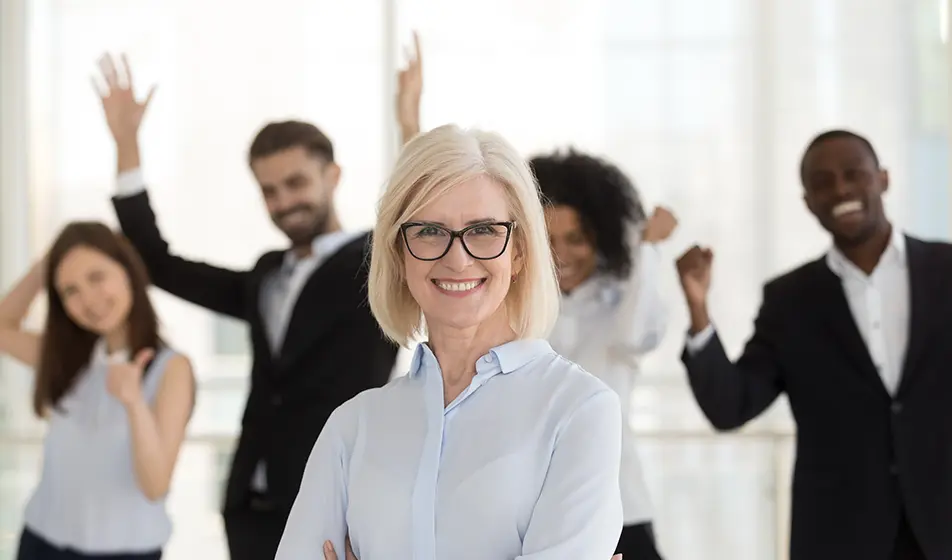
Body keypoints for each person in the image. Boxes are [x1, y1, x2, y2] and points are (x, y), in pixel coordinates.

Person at [92, 54, 400, 560]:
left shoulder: (377, 266)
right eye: (269, 190)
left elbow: (419, 229)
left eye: (296, 183)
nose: (283, 202)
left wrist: (410, 125)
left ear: (334, 175)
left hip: (338, 505)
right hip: (251, 508)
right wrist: (127, 146)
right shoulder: (265, 274)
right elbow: (156, 263)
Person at [275, 124, 624, 560]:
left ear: (519, 252)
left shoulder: (580, 410)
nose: (457, 259)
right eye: (428, 231)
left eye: (483, 230)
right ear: (399, 255)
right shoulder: (353, 426)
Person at [676, 129, 952, 560]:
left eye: (853, 174)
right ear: (807, 201)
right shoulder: (790, 300)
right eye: (822, 182)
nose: (839, 189)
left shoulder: (946, 269)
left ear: (883, 179)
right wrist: (698, 308)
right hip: (839, 535)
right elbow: (731, 406)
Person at [0, 222, 195, 560]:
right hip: (41, 542)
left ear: (127, 271)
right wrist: (46, 264)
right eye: (69, 291)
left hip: (123, 553)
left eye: (95, 277)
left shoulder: (171, 368)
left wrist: (134, 403)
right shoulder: (69, 360)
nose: (88, 300)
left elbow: (155, 485)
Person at [531, 149, 676, 560]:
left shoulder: (621, 305)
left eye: (575, 239)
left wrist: (647, 247)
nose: (560, 255)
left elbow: (637, 333)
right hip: (538, 517)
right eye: (548, 240)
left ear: (600, 237)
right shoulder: (521, 313)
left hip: (621, 509)